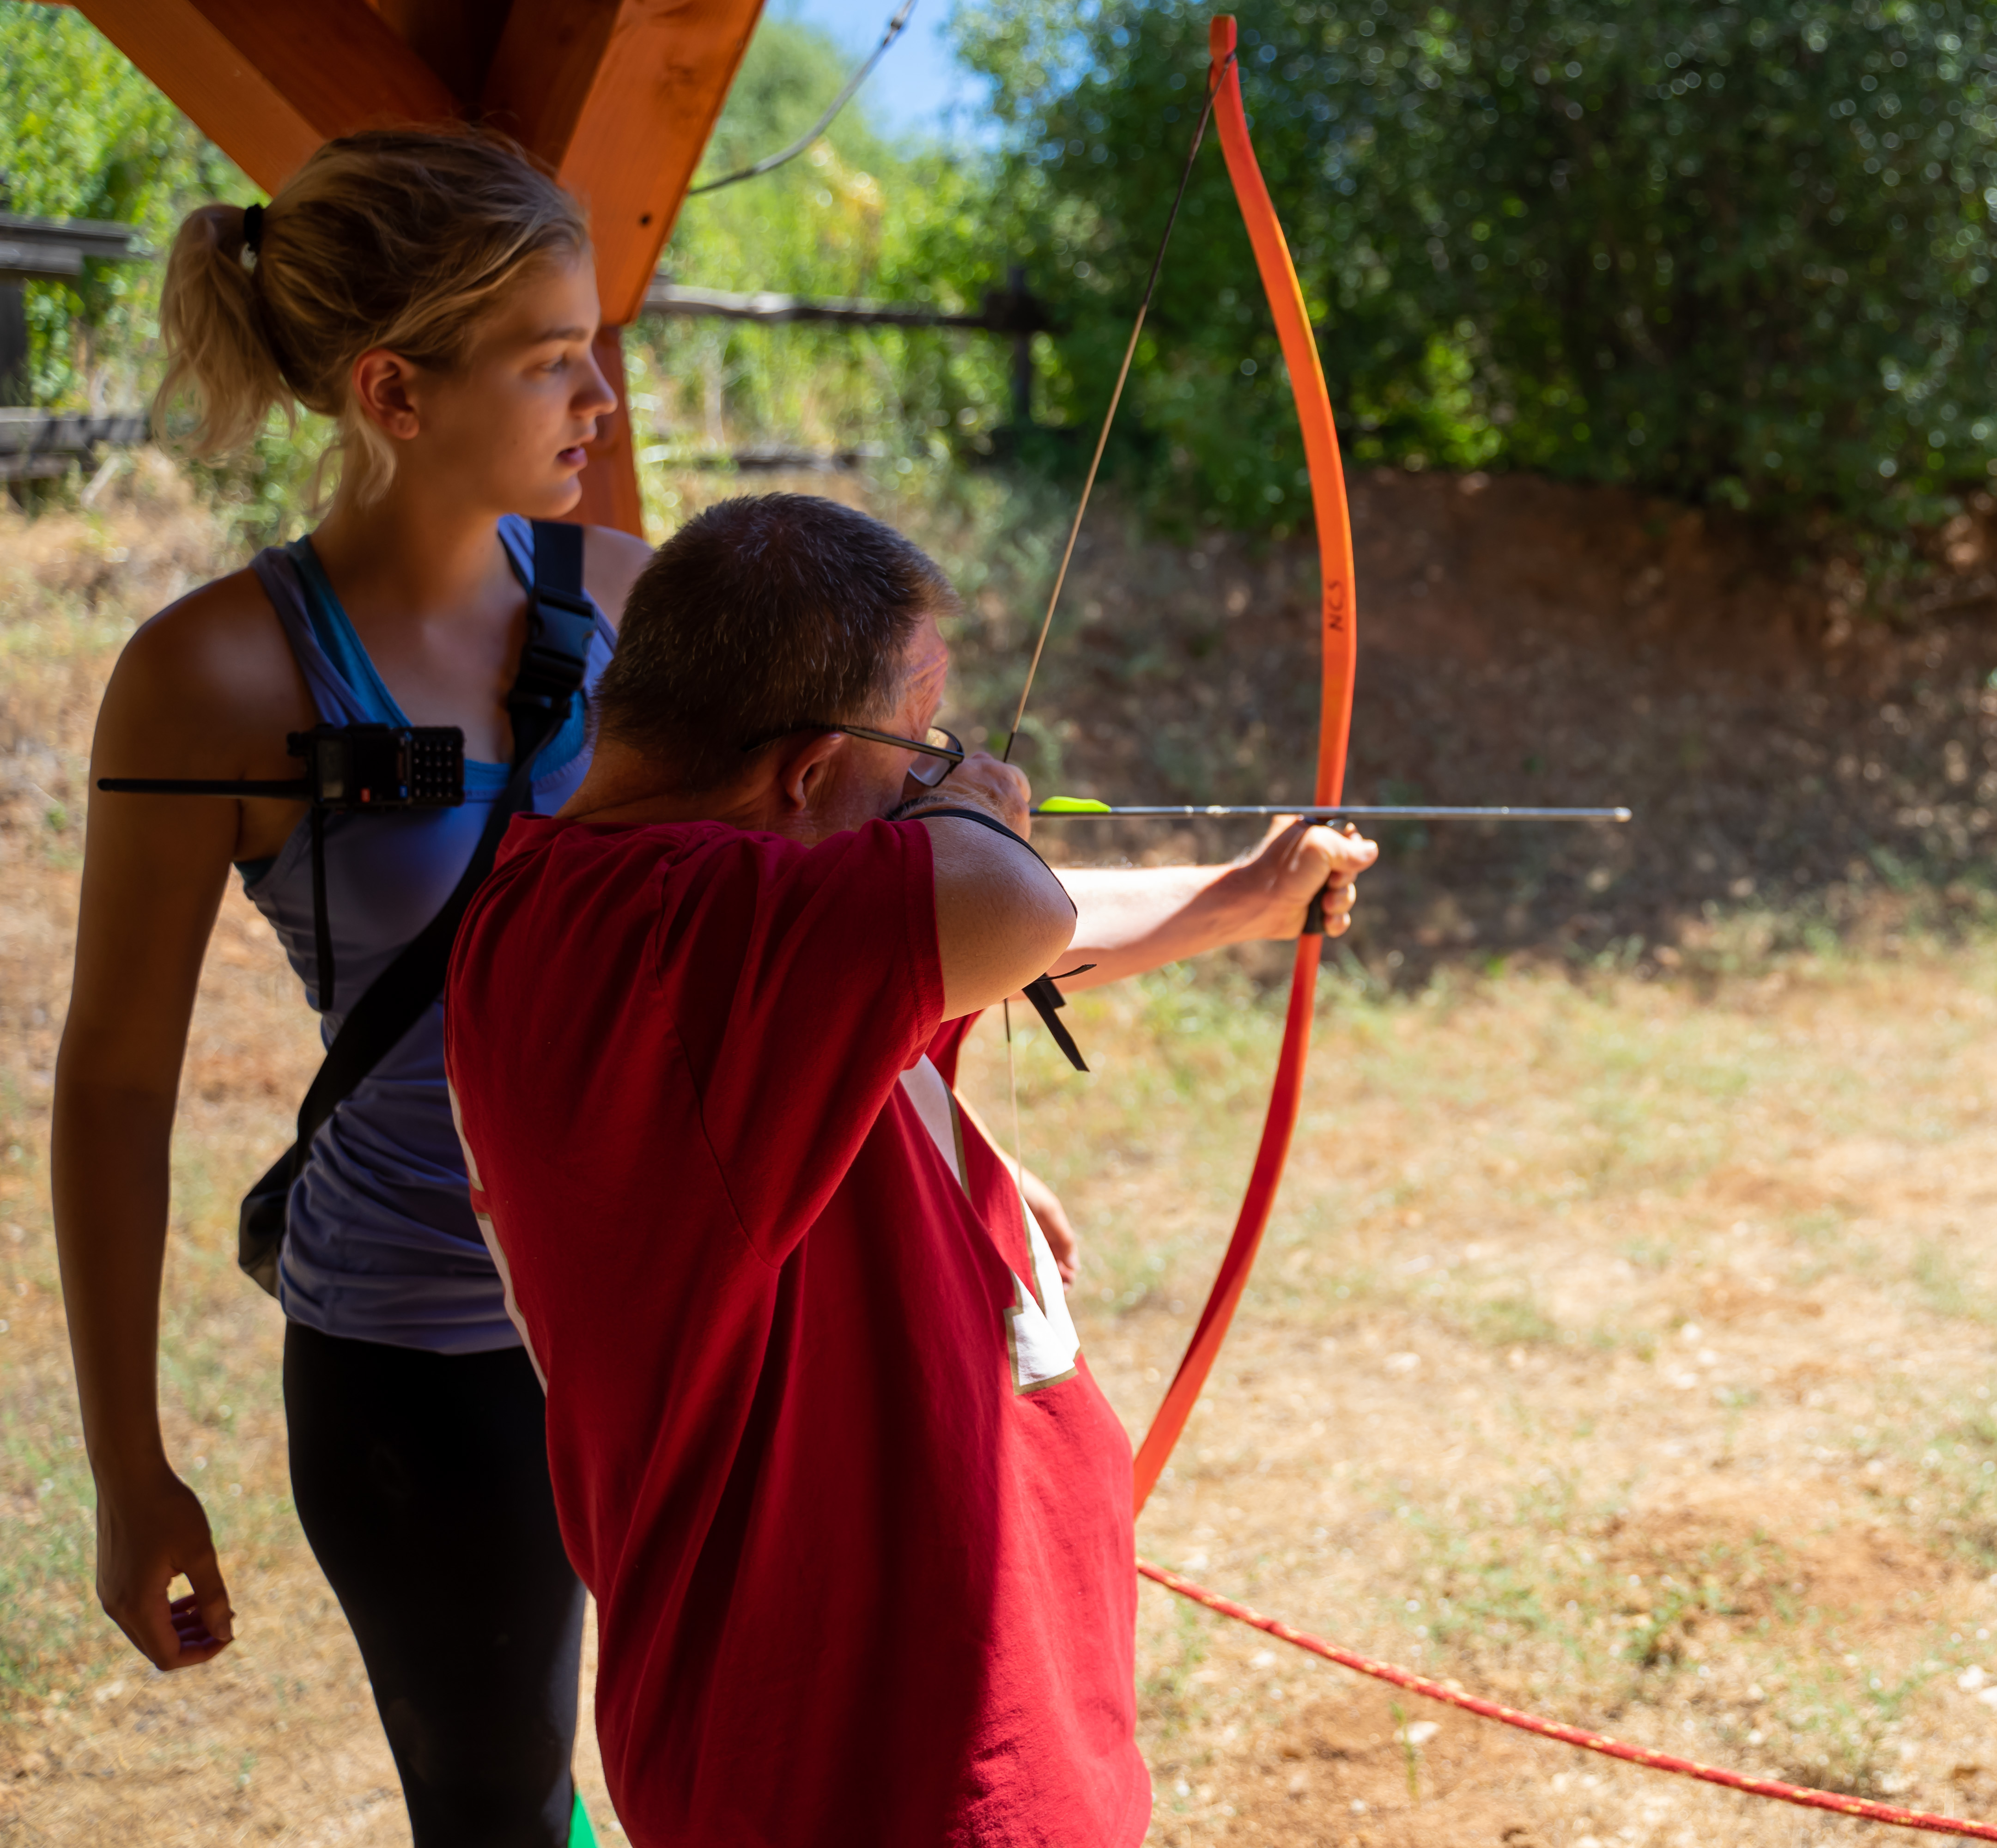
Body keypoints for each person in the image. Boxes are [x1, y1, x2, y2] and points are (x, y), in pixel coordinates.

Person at [441, 492, 1377, 1847]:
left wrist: (1243, 894)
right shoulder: (660, 941)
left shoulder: (707, 907)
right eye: (920, 737)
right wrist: (984, 814)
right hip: (868, 1765)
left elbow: (993, 931)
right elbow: (998, 904)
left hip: (946, 1710)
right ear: (813, 776)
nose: (947, 763)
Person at [54, 129, 646, 1846]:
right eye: (551, 361)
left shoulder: (630, 599)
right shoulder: (211, 675)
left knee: (725, 1759)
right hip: (425, 1342)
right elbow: (111, 1086)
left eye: (590, 344)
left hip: (664, 1306)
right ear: (394, 393)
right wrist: (125, 1466)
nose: (596, 394)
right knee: (502, 1804)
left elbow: (771, 934)